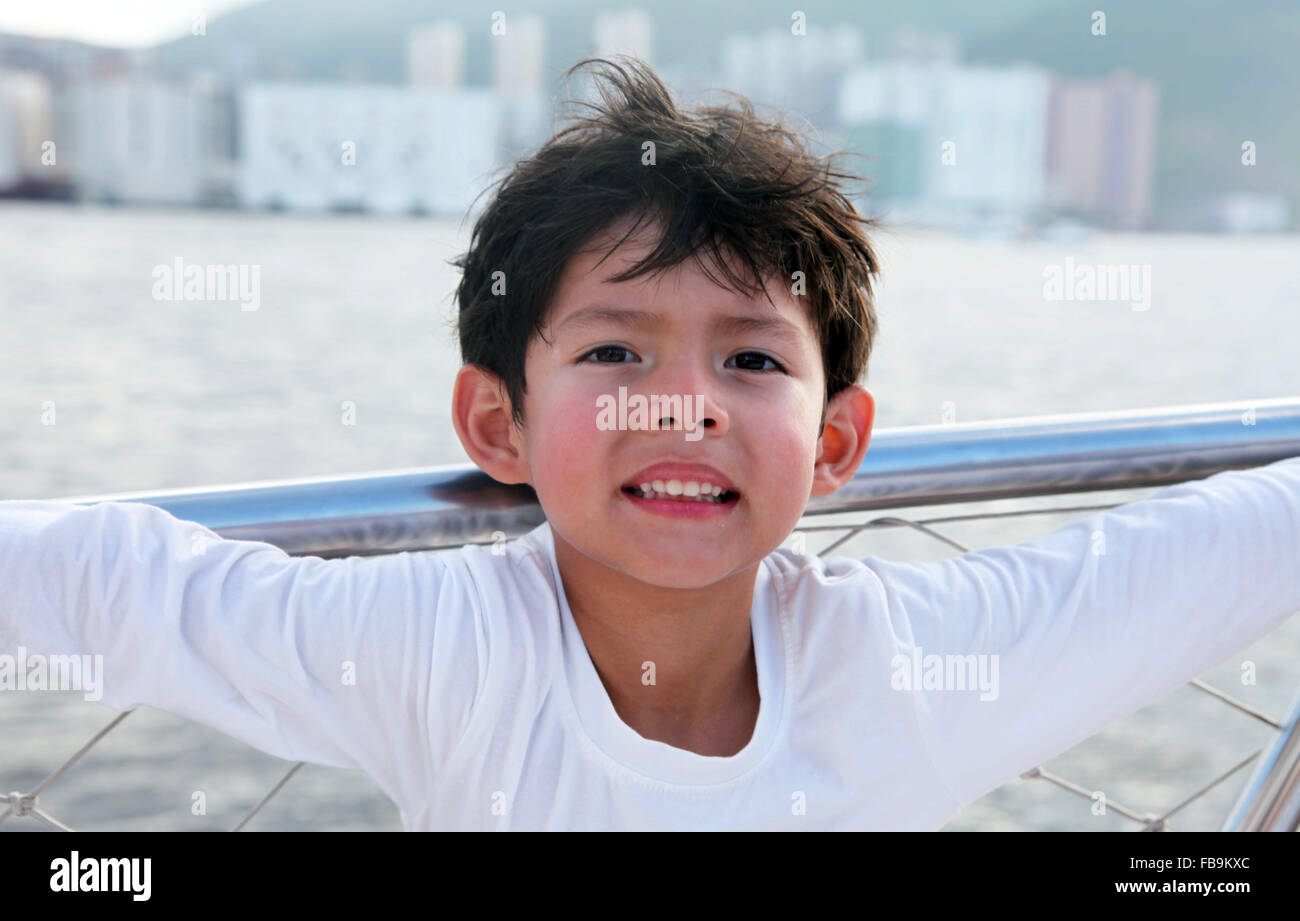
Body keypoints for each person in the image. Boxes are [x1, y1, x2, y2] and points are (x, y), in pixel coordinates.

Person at [2, 57, 1298, 830]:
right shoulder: (447, 653)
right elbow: (117, 586)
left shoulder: (907, 669)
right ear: (495, 423)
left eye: (750, 359)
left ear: (837, 439)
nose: (684, 406)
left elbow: (1198, 556)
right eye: (617, 349)